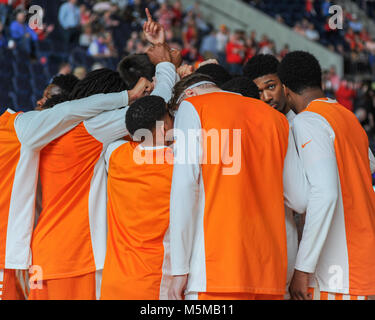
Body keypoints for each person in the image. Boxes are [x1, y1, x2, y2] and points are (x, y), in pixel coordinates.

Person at [29, 17, 179, 300]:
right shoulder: (89, 130)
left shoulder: (51, 129)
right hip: (76, 257)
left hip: (43, 252)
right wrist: (165, 64)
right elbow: (154, 105)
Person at [167, 73, 308, 300]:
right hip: (270, 272)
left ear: (188, 94)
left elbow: (184, 187)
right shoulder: (277, 119)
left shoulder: (191, 107)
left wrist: (179, 270)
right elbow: (300, 199)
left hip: (213, 270)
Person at [0, 86, 132, 300]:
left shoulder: (16, 129)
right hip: (22, 254)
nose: (41, 102)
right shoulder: (18, 128)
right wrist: (127, 96)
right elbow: (69, 111)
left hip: (33, 253)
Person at [278, 51, 375, 300]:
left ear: (286, 90)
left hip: (338, 270)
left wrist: (303, 268)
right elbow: (370, 164)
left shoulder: (307, 122)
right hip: (364, 259)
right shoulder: (347, 116)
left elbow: (325, 192)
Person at [100, 95, 174, 300]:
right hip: (153, 283)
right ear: (164, 127)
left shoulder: (115, 154)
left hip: (113, 284)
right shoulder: (179, 165)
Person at [243, 54, 302, 299]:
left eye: (271, 87)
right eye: (259, 91)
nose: (267, 97)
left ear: (284, 84)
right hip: (279, 237)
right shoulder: (261, 127)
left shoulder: (301, 124)